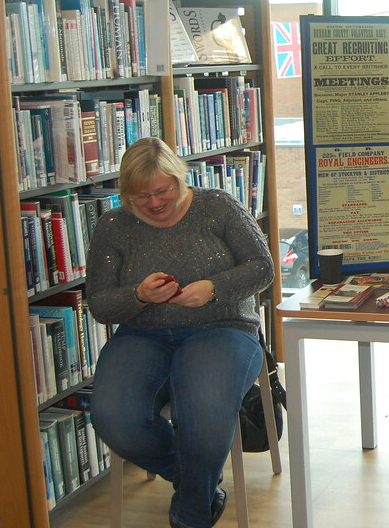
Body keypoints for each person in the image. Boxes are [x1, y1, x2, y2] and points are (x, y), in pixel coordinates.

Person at [86, 137, 274, 528]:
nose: (153, 203)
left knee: (204, 409)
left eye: (162, 190)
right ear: (126, 195)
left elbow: (262, 267)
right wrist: (137, 295)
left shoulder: (218, 206)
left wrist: (213, 288)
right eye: (140, 196)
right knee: (112, 417)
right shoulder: (114, 226)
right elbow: (101, 304)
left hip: (223, 328)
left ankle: (191, 515)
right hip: (143, 335)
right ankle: (198, 481)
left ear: (179, 178)